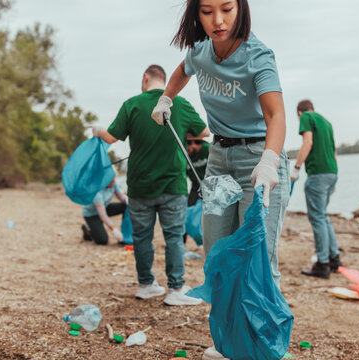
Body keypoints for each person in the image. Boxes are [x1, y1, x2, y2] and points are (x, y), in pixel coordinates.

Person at [151, 1, 289, 358]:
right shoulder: (200, 51)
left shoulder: (258, 56)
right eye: (207, 11)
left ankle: (263, 349)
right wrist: (166, 97)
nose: (218, 20)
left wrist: (270, 161)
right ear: (196, 15)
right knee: (216, 256)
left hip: (259, 162)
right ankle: (229, 343)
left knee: (257, 258)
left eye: (226, 8)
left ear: (240, 8)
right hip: (218, 161)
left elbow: (276, 115)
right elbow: (182, 69)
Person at [93, 64, 210, 306]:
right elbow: (205, 132)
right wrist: (181, 130)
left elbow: (110, 138)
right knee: (174, 237)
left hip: (139, 186)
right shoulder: (179, 103)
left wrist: (97, 131)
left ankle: (146, 285)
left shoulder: (132, 104)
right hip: (172, 184)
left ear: (146, 78)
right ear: (165, 80)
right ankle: (176, 289)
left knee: (142, 237)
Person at [291, 99, 341, 279]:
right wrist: (333, 177)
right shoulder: (326, 122)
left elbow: (308, 142)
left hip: (317, 174)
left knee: (317, 218)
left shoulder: (306, 117)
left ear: (299, 113)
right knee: (323, 216)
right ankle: (334, 258)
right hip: (331, 172)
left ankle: (322, 263)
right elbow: (334, 151)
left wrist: (296, 167)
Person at [186, 137, 209, 207]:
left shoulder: (207, 149)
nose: (193, 146)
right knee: (190, 206)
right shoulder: (182, 155)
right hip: (196, 186)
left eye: (197, 142)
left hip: (209, 184)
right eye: (188, 143)